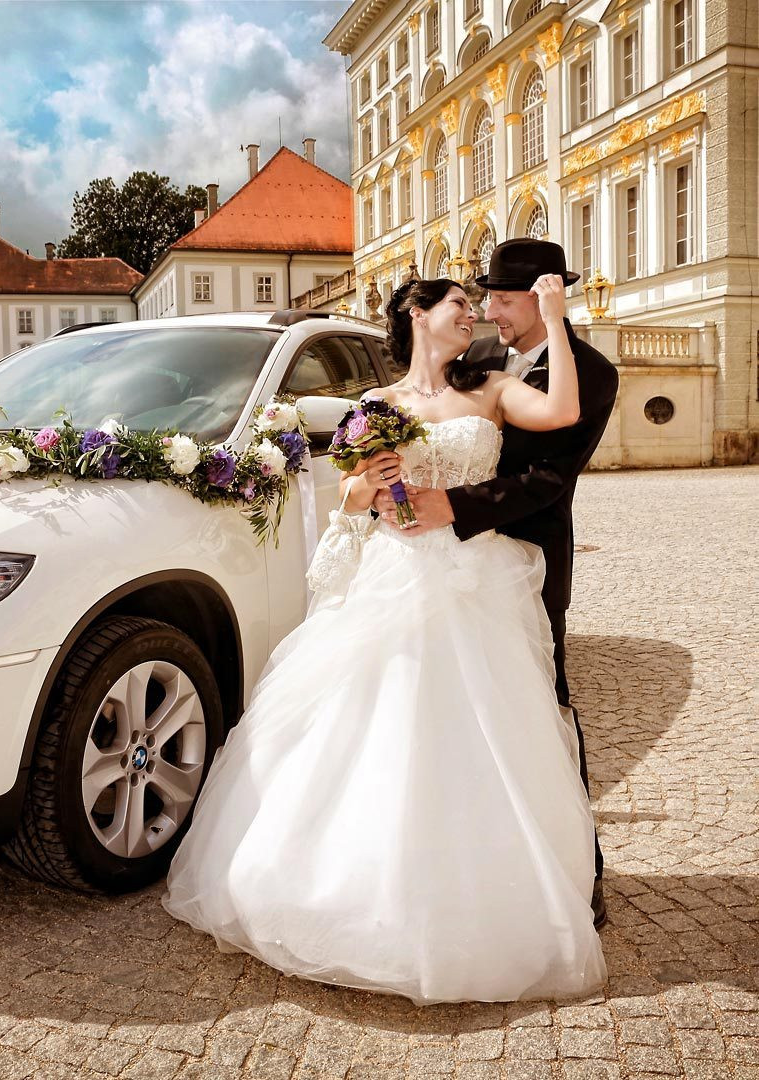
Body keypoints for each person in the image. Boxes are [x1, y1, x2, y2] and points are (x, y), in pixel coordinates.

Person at [162, 262, 607, 1005]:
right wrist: (368, 487)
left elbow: (562, 413)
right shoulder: (374, 402)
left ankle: (477, 895)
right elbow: (352, 494)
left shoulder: (491, 387)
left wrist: (555, 320)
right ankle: (348, 893)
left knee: (478, 733)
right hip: (391, 574)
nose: (473, 315)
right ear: (417, 315)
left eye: (475, 304)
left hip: (470, 579)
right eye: (459, 304)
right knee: (373, 726)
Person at [371, 239, 619, 928]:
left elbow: (550, 479)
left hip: (525, 558)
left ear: (543, 298)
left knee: (543, 707)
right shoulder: (477, 361)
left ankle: (576, 869)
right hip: (438, 566)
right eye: (485, 301)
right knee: (444, 713)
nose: (489, 314)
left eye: (502, 302)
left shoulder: (590, 373)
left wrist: (454, 508)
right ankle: (459, 861)